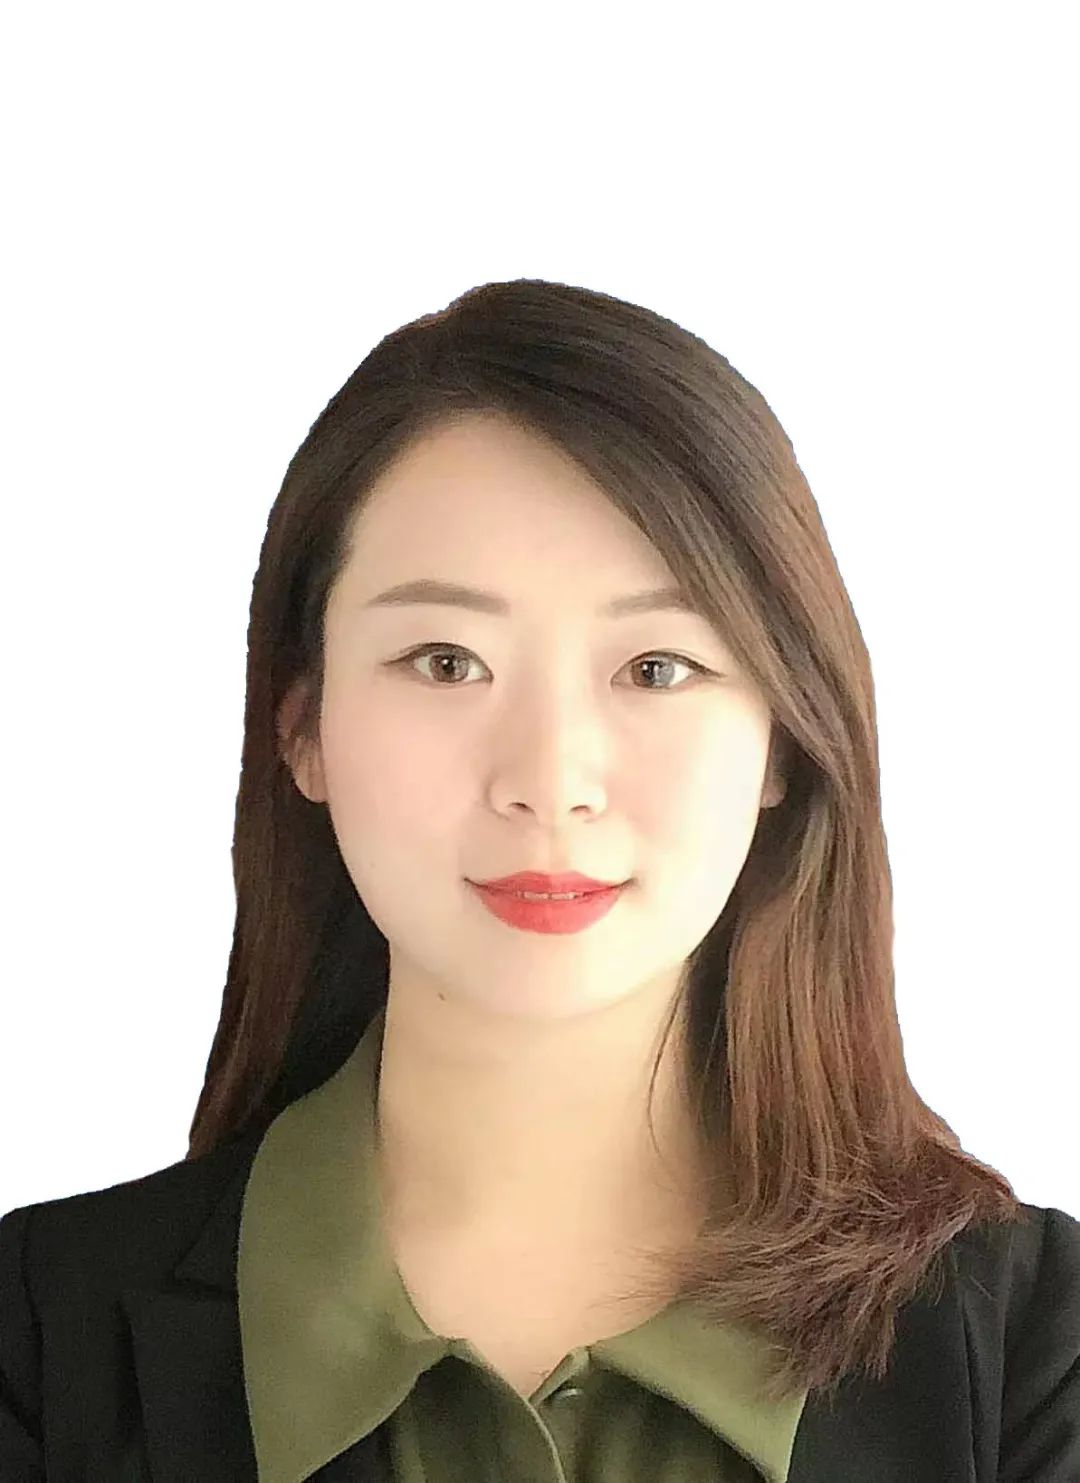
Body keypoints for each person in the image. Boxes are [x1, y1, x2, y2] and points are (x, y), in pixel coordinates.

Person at [2, 280, 1077, 1480]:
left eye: (657, 667)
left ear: (782, 739)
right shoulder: (38, 1345)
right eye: (445, 661)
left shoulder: (1035, 1351)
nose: (550, 780)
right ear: (302, 725)